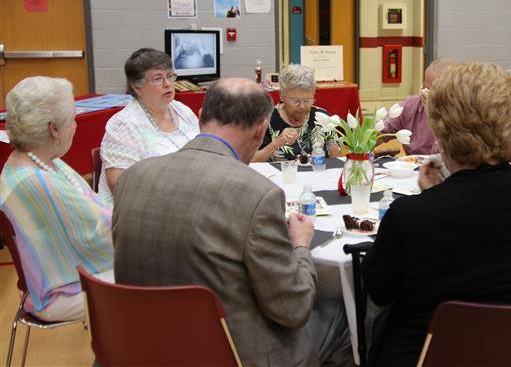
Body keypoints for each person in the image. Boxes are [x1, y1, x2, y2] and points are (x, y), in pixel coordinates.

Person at [112, 78, 351, 366]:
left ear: (200, 117)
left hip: (142, 346)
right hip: (231, 353)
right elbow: (294, 308)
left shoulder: (132, 178)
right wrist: (300, 246)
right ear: (261, 129)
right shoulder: (257, 194)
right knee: (341, 312)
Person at [362, 62, 511, 367]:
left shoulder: (411, 216)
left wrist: (432, 199)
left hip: (434, 355)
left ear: (440, 130)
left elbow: (378, 290)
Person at [0, 77, 113, 321]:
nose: (75, 126)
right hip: (60, 291)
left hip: (68, 275)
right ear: (54, 129)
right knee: (162, 274)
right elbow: (97, 234)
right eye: (72, 119)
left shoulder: (40, 160)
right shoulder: (36, 181)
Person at [98, 48, 199, 207]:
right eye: (158, 78)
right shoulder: (123, 125)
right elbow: (121, 187)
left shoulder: (182, 110)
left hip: (190, 199)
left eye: (170, 75)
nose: (167, 84)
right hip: (145, 212)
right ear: (137, 87)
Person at [253, 64, 339, 163]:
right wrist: (275, 144)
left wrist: (335, 151)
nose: (302, 106)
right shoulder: (266, 120)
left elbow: (335, 159)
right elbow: (251, 161)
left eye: (307, 101)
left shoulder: (321, 117)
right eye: (296, 101)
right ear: (281, 96)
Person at [379, 58, 456, 155]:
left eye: (436, 90)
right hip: (412, 167)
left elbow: (451, 156)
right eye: (427, 88)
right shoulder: (411, 105)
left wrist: (433, 113)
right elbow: (381, 133)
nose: (428, 93)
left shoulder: (462, 112)